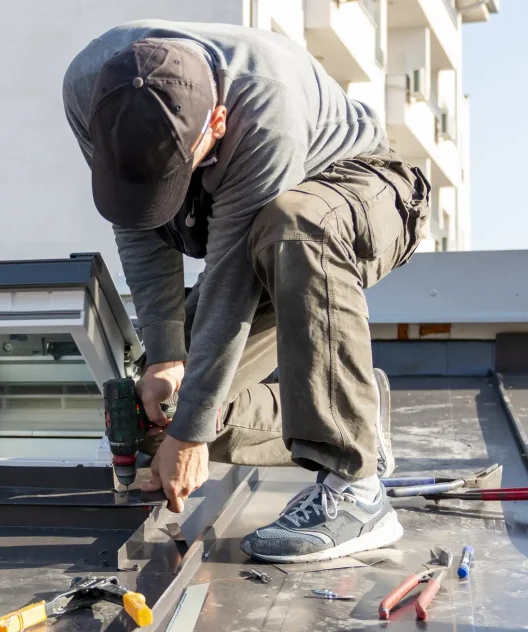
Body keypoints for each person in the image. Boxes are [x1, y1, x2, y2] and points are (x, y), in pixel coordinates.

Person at [62, 20, 431, 563]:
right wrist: (166, 358)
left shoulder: (264, 109)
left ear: (216, 123)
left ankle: (357, 491)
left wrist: (192, 435)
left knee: (294, 222)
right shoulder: (88, 87)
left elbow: (230, 283)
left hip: (357, 193)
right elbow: (136, 219)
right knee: (156, 414)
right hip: (263, 242)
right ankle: (358, 414)